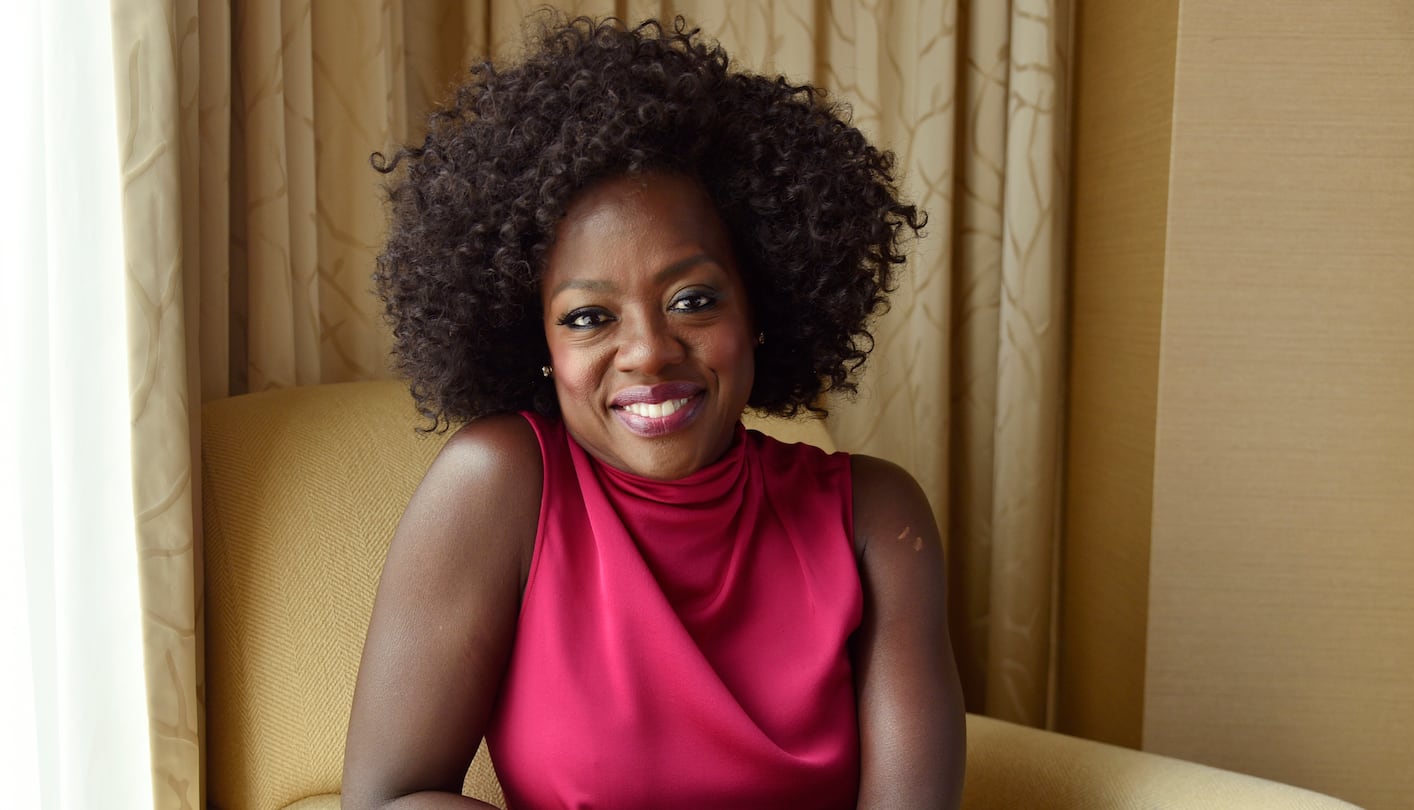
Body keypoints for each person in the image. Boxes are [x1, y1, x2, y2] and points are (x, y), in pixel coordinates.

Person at [342, 14, 964, 810]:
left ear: (760, 306)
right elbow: (389, 802)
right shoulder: (498, 486)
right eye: (587, 317)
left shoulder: (875, 519)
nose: (647, 351)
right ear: (536, 339)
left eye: (693, 300)